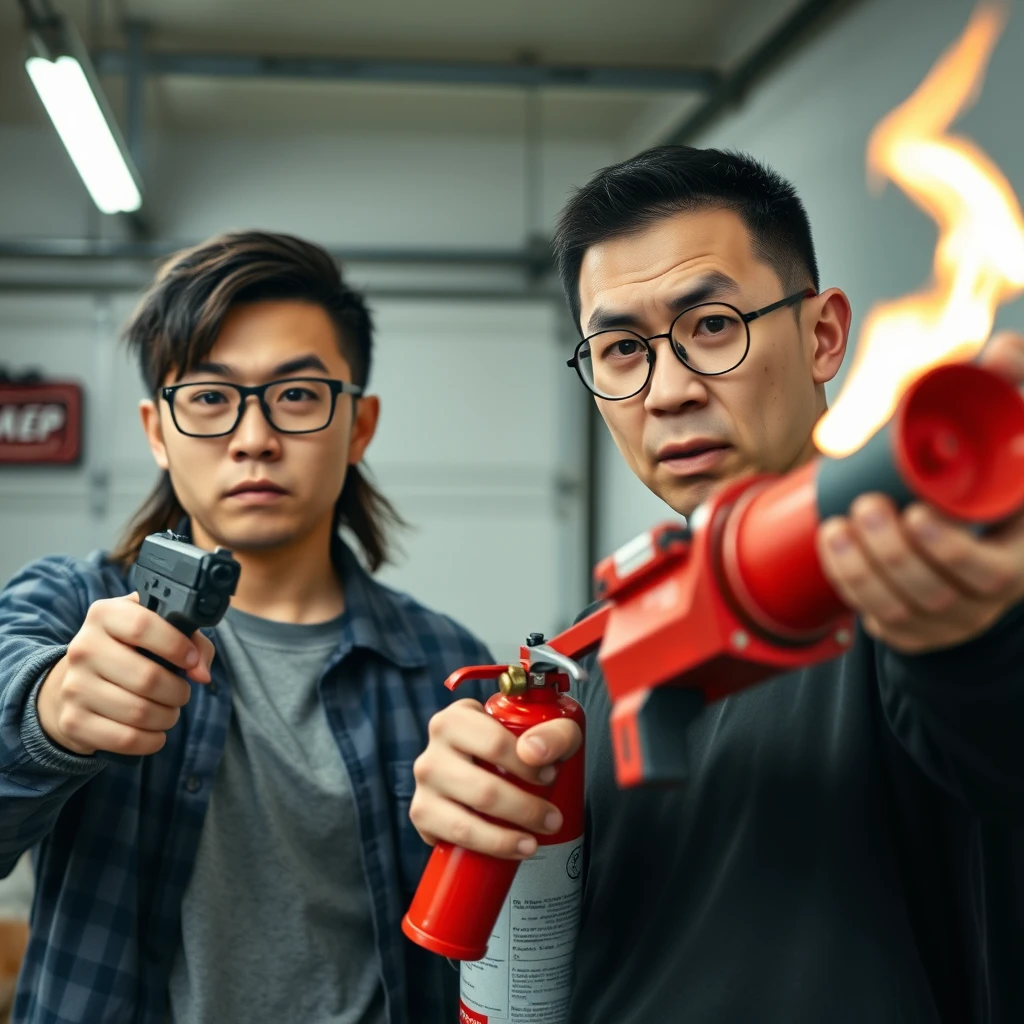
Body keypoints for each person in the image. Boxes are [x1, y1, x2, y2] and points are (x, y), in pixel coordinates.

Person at [408, 146, 1024, 1022]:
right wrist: (472, 802)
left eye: (711, 327)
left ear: (822, 334)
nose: (667, 390)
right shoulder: (587, 645)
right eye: (621, 349)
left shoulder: (920, 585)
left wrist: (977, 630)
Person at [0, 231, 491, 1024]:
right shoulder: (70, 608)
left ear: (358, 426)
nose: (254, 437)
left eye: (297, 395)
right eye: (209, 397)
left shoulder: (446, 667)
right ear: (157, 430)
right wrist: (50, 715)